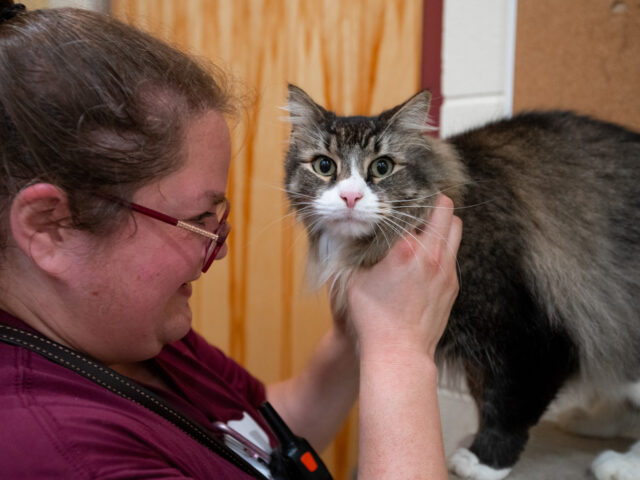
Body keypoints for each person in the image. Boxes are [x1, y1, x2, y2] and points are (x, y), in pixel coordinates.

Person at [0, 3, 462, 479]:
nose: (219, 248)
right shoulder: (57, 452)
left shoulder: (133, 333)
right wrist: (400, 351)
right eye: (197, 218)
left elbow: (254, 439)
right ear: (51, 227)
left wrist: (357, 332)